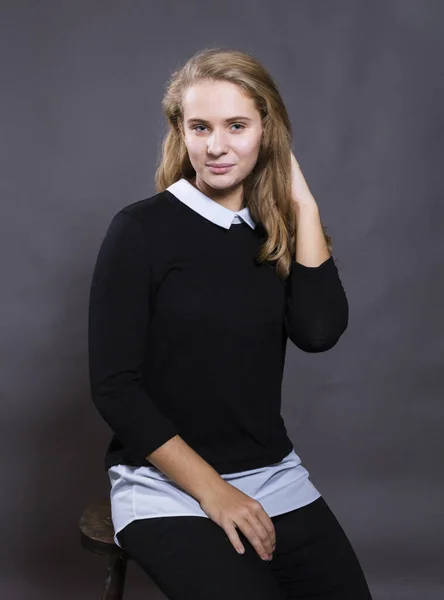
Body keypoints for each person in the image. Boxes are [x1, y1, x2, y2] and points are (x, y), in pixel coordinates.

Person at [88, 47, 373, 600]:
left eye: (237, 125)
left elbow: (318, 333)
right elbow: (114, 388)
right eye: (200, 127)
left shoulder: (272, 230)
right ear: (181, 131)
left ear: (267, 131)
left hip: (272, 477)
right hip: (166, 487)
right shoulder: (140, 230)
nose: (216, 146)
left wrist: (302, 206)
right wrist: (214, 493)